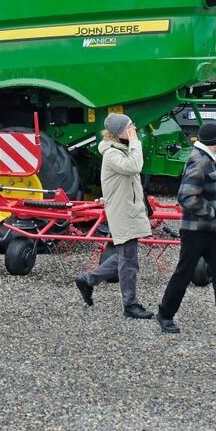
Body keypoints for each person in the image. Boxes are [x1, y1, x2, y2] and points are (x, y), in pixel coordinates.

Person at [156, 121, 216, 339]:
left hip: (212, 231)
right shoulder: (199, 162)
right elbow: (185, 196)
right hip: (196, 231)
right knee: (184, 273)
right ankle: (165, 314)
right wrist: (210, 212)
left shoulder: (207, 159)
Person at [74, 114, 154, 319]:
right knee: (129, 261)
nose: (134, 128)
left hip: (128, 210)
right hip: (123, 212)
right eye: (130, 126)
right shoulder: (112, 154)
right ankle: (130, 305)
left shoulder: (119, 150)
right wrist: (135, 141)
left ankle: (88, 279)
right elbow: (134, 166)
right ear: (120, 132)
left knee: (125, 257)